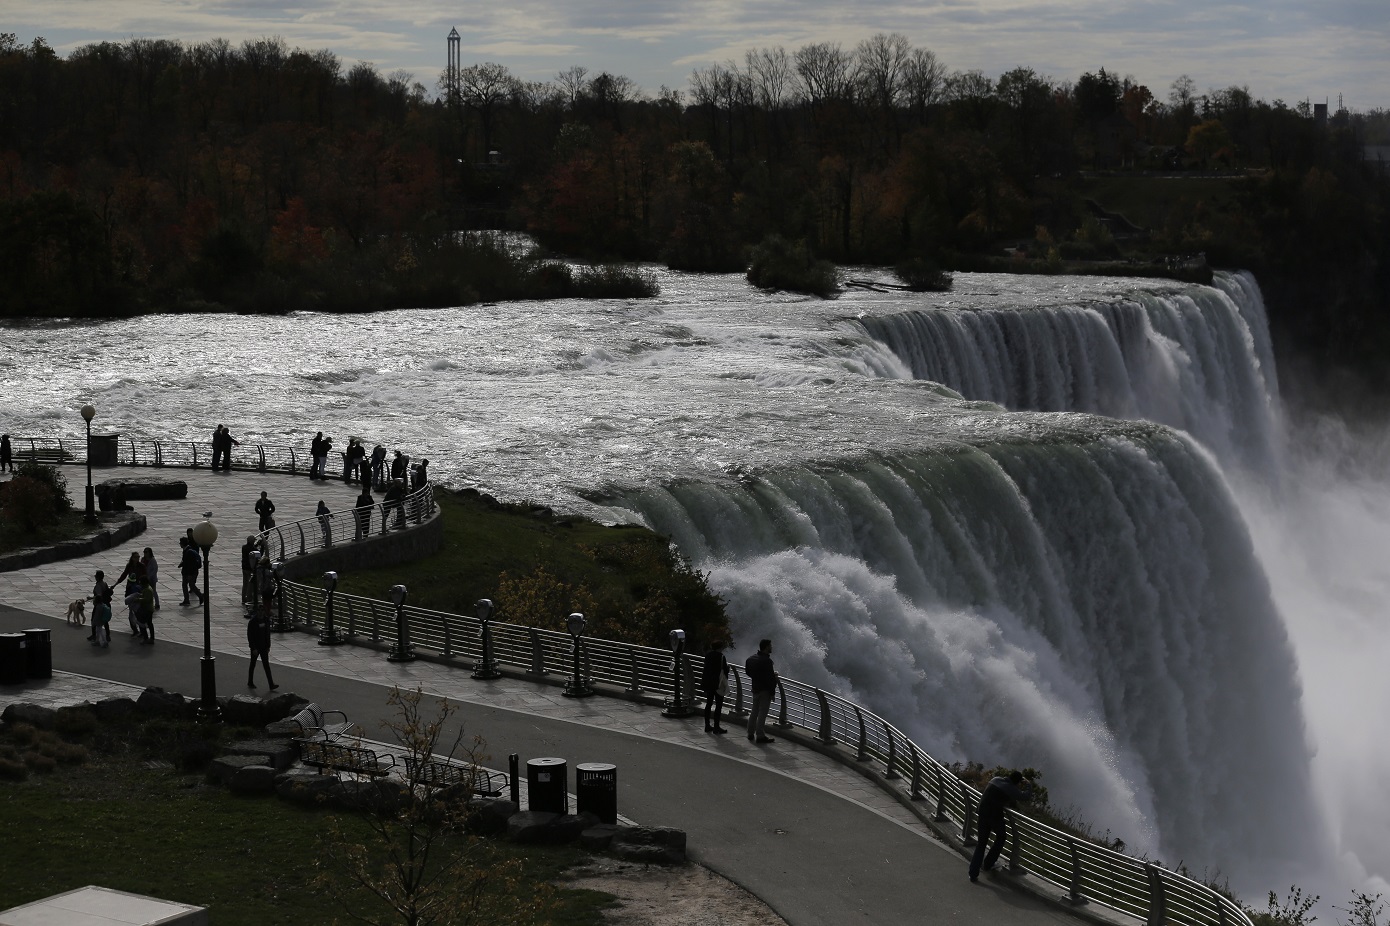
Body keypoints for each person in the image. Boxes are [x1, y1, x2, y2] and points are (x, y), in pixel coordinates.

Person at [968, 771, 1035, 882]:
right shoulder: (1011, 788)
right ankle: (989, 863)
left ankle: (973, 874)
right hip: (994, 817)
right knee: (1001, 837)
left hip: (982, 813)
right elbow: (1025, 796)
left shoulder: (996, 779)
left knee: (981, 844)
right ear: (1017, 782)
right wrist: (1028, 784)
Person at [745, 639, 777, 743]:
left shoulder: (751, 659)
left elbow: (748, 672)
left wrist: (756, 677)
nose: (772, 647)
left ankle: (750, 733)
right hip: (764, 691)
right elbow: (770, 679)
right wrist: (772, 692)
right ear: (766, 647)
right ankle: (760, 735)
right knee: (762, 713)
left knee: (754, 711)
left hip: (755, 688)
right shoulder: (767, 661)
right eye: (770, 645)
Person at [702, 640, 730, 734]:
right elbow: (725, 671)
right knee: (718, 705)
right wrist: (728, 669)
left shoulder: (708, 655)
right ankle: (716, 727)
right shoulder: (721, 657)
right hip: (718, 684)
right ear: (720, 648)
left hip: (708, 683)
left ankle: (707, 725)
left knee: (708, 704)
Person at [246, 607, 277, 689]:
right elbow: (250, 636)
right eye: (259, 610)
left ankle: (271, 684)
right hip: (256, 647)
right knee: (253, 664)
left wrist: (268, 646)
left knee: (266, 665)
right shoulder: (253, 621)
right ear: (257, 611)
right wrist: (253, 648)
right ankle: (250, 681)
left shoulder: (266, 620)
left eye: (262, 610)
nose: (260, 612)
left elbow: (267, 634)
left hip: (263, 646)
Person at [179, 537, 204, 606]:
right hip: (190, 572)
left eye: (180, 543)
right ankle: (198, 596)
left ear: (182, 543)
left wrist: (189, 574)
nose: (179, 544)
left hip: (189, 572)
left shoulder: (188, 551)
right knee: (190, 585)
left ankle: (198, 596)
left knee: (188, 585)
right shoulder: (188, 550)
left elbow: (189, 564)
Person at [88, 569, 111, 641]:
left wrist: (91, 598)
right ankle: (108, 635)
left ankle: (94, 635)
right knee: (105, 620)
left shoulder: (98, 585)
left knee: (93, 620)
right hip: (106, 603)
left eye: (95, 576)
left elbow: (98, 596)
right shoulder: (104, 583)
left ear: (97, 577)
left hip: (99, 605)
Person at [136, 574, 156, 643]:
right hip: (149, 609)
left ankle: (145, 637)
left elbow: (146, 599)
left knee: (141, 623)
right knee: (149, 623)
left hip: (147, 609)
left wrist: (138, 599)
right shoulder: (147, 588)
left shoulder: (147, 590)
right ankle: (151, 638)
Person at [140, 546, 160, 611]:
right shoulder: (143, 559)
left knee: (153, 591)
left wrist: (150, 576)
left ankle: (157, 604)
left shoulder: (152, 560)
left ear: (149, 553)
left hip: (152, 579)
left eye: (146, 552)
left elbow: (155, 569)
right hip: (144, 578)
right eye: (144, 552)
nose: (145, 553)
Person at [241, 535, 259, 605]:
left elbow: (250, 549)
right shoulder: (254, 550)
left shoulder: (244, 547)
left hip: (244, 567)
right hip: (250, 568)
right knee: (250, 584)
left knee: (245, 583)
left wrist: (256, 546)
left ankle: (243, 598)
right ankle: (248, 598)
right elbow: (258, 555)